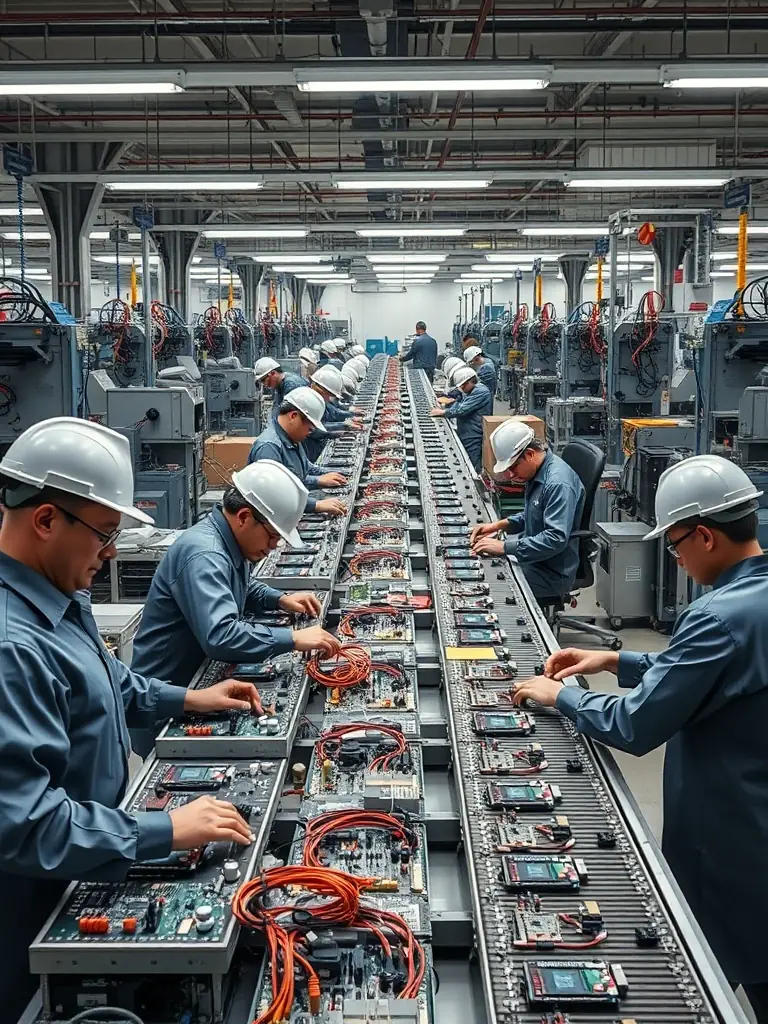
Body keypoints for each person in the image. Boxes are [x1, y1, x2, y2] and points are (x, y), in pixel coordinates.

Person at [0, 417, 267, 1021]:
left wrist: (190, 698)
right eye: (104, 534)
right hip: (27, 910)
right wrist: (163, 832)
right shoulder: (12, 645)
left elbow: (111, 682)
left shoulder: (59, 594)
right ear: (45, 521)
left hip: (85, 860)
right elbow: (24, 826)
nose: (113, 552)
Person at [510, 455, 768, 1023]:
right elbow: (711, 673)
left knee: (712, 981)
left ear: (704, 535)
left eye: (674, 544)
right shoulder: (755, 601)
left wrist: (564, 698)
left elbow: (636, 725)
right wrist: (617, 658)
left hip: (733, 849)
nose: (673, 556)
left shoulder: (718, 616)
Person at [130, 460, 339, 754]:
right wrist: (292, 639)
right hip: (168, 705)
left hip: (197, 685)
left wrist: (277, 598)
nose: (274, 546)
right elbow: (221, 636)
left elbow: (241, 583)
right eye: (272, 535)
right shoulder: (204, 553)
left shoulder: (225, 541)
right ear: (244, 516)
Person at [470, 420, 584, 600]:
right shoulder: (538, 472)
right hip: (535, 559)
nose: (510, 475)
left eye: (513, 467)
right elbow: (534, 513)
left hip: (551, 573)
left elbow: (555, 539)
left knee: (488, 585)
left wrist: (504, 547)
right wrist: (498, 526)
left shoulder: (557, 484)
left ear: (530, 454)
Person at [247, 388, 348, 517]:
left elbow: (304, 468)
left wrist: (328, 474)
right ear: (293, 416)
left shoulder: (292, 437)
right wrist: (316, 505)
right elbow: (275, 497)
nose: (309, 433)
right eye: (309, 429)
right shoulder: (269, 448)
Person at [429, 365, 491, 471]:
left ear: (469, 382)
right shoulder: (470, 390)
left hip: (474, 433)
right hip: (466, 430)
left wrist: (442, 412)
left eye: (462, 387)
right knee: (463, 457)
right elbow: (459, 403)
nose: (461, 390)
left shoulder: (481, 391)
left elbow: (462, 410)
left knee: (471, 462)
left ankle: (475, 482)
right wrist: (448, 404)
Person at [304, 365, 364, 463]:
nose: (328, 399)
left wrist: (349, 415)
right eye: (328, 395)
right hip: (310, 446)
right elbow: (314, 428)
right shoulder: (307, 402)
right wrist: (342, 426)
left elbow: (334, 412)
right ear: (319, 388)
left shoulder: (319, 399)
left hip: (318, 442)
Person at [253, 355, 307, 420]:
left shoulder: (291, 385)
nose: (265, 385)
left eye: (263, 380)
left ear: (273, 373)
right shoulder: (281, 384)